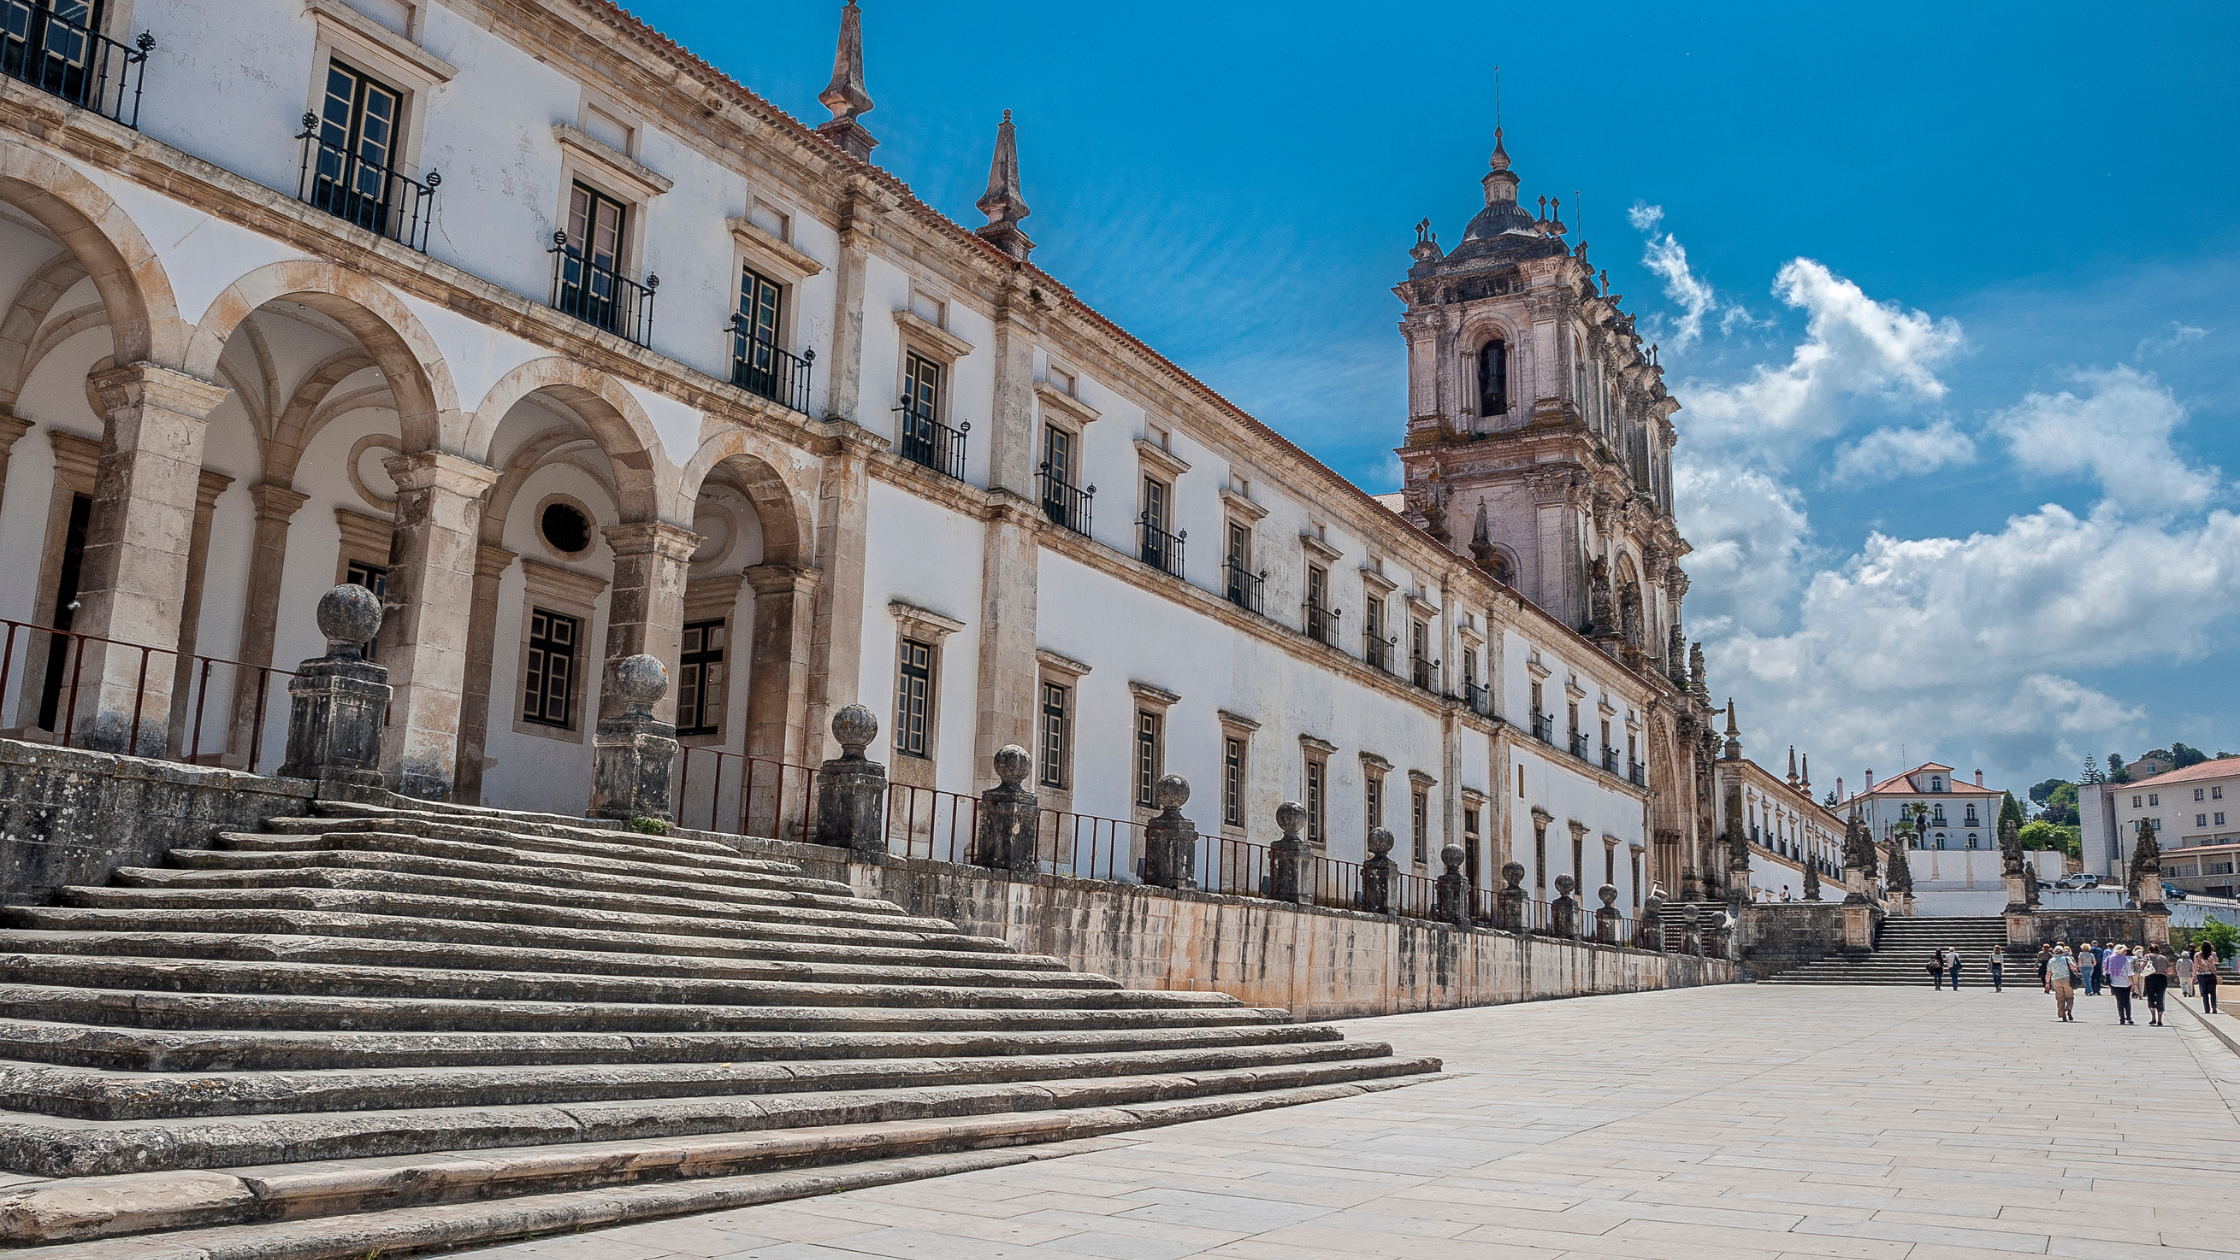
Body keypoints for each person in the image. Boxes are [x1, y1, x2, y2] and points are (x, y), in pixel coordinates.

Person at [2145, 944, 2177, 1027]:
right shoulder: (2163, 958)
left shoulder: (2147, 956)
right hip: (2161, 978)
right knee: (2160, 997)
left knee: (2151, 997)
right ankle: (2160, 1019)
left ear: (2149, 950)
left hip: (2150, 978)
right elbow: (2170, 971)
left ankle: (2153, 1018)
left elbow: (2142, 966)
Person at [2105, 943, 2135, 1025]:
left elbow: (2106, 971)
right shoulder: (2126, 960)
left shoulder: (2109, 959)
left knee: (2119, 1000)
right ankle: (2128, 1017)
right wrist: (2133, 984)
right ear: (2123, 951)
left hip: (2114, 982)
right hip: (2126, 983)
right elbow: (2129, 973)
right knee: (2127, 1000)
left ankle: (2122, 1018)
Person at [2048, 945, 2077, 1021]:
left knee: (2060, 998)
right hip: (2066, 979)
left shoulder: (2051, 960)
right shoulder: (2067, 958)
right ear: (2062, 952)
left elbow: (2048, 972)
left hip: (2056, 980)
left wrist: (2047, 982)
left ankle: (2062, 1014)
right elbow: (2074, 967)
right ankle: (2069, 1009)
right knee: (2069, 996)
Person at [2198, 943, 2222, 1015]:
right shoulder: (2212, 955)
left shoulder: (2198, 955)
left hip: (2201, 974)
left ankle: (2207, 1008)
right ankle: (2214, 1005)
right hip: (2211, 974)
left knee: (2205, 993)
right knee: (2213, 992)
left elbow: (2195, 965)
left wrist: (2193, 974)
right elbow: (2215, 962)